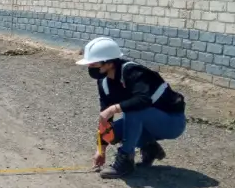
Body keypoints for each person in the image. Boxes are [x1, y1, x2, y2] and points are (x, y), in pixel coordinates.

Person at [77, 36, 187, 179]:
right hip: (148, 122)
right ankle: (150, 148)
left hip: (172, 123)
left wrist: (113, 108)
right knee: (112, 132)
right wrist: (101, 149)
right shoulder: (104, 82)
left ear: (109, 63)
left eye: (93, 64)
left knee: (133, 110)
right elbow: (105, 117)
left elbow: (143, 100)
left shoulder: (134, 72)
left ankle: (125, 161)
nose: (90, 68)